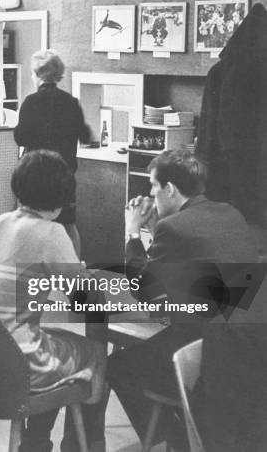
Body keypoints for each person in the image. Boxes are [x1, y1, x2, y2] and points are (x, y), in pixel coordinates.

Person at [108, 149, 257, 450]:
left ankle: (177, 441)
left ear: (170, 189)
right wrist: (156, 230)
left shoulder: (174, 227)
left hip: (203, 351)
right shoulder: (230, 212)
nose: (150, 193)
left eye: (153, 186)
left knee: (117, 367)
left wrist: (132, 232)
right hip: (245, 348)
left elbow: (143, 290)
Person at [0, 150, 105, 452]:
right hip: (15, 366)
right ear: (63, 195)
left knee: (54, 341)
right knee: (90, 352)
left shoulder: (0, 223)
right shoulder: (52, 233)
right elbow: (86, 301)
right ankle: (78, 445)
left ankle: (35, 442)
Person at [13, 49, 91, 257]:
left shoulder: (30, 102)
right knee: (68, 225)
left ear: (37, 75)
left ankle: (33, 270)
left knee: (30, 224)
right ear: (58, 75)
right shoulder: (71, 102)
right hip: (63, 175)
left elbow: (20, 138)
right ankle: (74, 272)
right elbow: (85, 136)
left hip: (34, 174)